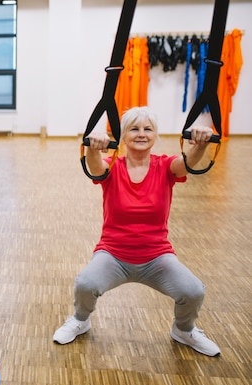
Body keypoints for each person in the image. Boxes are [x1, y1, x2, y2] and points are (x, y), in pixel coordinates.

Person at [53, 106, 220, 357]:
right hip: (113, 254)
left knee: (193, 291)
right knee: (85, 284)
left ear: (155, 135)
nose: (141, 134)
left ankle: (184, 330)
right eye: (134, 128)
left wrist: (201, 142)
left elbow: (187, 163)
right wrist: (92, 146)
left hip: (157, 257)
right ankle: (80, 320)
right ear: (123, 135)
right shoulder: (113, 167)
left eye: (147, 129)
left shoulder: (165, 166)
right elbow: (96, 167)